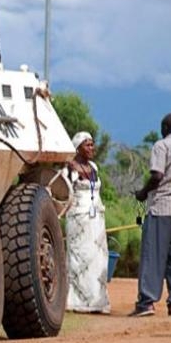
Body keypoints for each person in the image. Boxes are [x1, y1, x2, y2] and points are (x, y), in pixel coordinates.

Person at [132, 113, 171, 317]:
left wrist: (142, 193)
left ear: (165, 127)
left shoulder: (161, 146)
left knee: (154, 255)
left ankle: (147, 302)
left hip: (162, 207)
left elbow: (157, 175)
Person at [62, 131, 110, 314]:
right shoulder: (69, 169)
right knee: (79, 258)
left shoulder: (94, 168)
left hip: (96, 219)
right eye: (87, 145)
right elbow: (62, 191)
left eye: (92, 144)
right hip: (78, 218)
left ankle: (97, 301)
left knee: (98, 258)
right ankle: (77, 301)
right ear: (78, 147)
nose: (91, 148)